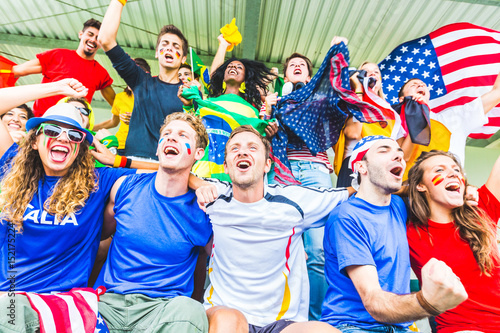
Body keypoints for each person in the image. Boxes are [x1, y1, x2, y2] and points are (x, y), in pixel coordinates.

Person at [0, 79, 136, 331]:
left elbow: (168, 175)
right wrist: (57, 88)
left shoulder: (99, 182)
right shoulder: (10, 167)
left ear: (80, 149)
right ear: (34, 141)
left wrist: (118, 160)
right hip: (7, 301)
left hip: (61, 305)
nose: (63, 137)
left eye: (74, 134)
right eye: (52, 130)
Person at [196, 125, 352, 333]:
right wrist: (195, 182)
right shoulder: (214, 195)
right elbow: (172, 172)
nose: (242, 152)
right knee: (229, 319)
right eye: (234, 148)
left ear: (267, 165)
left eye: (252, 148)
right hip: (225, 314)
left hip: (281, 323)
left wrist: (403, 188)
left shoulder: (295, 200)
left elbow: (351, 193)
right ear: (225, 167)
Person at [321, 136, 468, 332]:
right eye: (384, 150)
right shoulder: (347, 217)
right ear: (361, 167)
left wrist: (469, 191)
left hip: (400, 326)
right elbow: (374, 303)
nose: (399, 156)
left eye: (399, 152)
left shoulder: (398, 206)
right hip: (355, 325)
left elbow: (418, 190)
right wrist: (429, 302)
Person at [95, 112, 211, 332]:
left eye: (182, 135)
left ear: (198, 153)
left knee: (192, 311)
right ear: (157, 149)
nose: (171, 138)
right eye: (166, 134)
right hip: (108, 303)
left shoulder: (204, 209)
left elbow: (219, 261)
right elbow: (97, 238)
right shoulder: (124, 188)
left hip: (163, 310)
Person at [263, 36, 348, 320]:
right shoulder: (273, 101)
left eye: (302, 65)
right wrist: (269, 126)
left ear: (311, 75)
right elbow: (260, 135)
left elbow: (338, 91)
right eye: (292, 65)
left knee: (317, 251)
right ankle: (282, 317)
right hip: (281, 171)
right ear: (285, 74)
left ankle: (316, 321)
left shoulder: (321, 99)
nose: (297, 67)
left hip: (315, 172)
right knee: (279, 247)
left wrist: (335, 54)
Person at [407, 150, 500, 332]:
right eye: (439, 170)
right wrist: (405, 187)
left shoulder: (481, 209)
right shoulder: (410, 232)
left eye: (456, 170)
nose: (452, 173)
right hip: (463, 328)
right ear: (421, 186)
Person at [99, 0, 188, 161]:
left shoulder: (188, 93)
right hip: (131, 164)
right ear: (156, 53)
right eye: (165, 44)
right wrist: (119, 2)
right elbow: (106, 40)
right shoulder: (140, 80)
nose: (169, 48)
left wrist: (193, 102)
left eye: (176, 46)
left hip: (167, 167)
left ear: (183, 58)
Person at [179, 55, 277, 181]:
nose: (233, 67)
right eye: (229, 66)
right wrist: (187, 105)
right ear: (223, 77)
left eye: (239, 67)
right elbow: (192, 127)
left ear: (245, 78)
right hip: (201, 172)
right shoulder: (207, 102)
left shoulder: (252, 111)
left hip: (234, 175)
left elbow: (255, 140)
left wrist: (268, 136)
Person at [397, 71, 500, 178]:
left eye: (423, 85)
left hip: (451, 187)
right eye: (413, 85)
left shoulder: (453, 118)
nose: (420, 85)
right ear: (402, 99)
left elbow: (497, 93)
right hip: (407, 190)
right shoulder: (395, 123)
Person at [12, 19, 115, 116]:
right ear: (81, 34)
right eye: (90, 34)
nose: (93, 40)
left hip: (72, 127)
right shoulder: (58, 55)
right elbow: (17, 70)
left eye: (98, 38)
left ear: (101, 43)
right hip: (41, 122)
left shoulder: (100, 73)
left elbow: (118, 105)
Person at [334, 61, 406, 187]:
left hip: (384, 167)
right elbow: (354, 134)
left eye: (376, 71)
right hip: (355, 165)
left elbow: (401, 151)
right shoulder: (349, 103)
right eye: (366, 71)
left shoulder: (391, 113)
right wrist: (358, 90)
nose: (372, 73)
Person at [94, 57, 152, 152]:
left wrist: (137, 119)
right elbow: (113, 122)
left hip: (144, 147)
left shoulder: (156, 97)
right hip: (120, 145)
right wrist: (89, 128)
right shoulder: (120, 97)